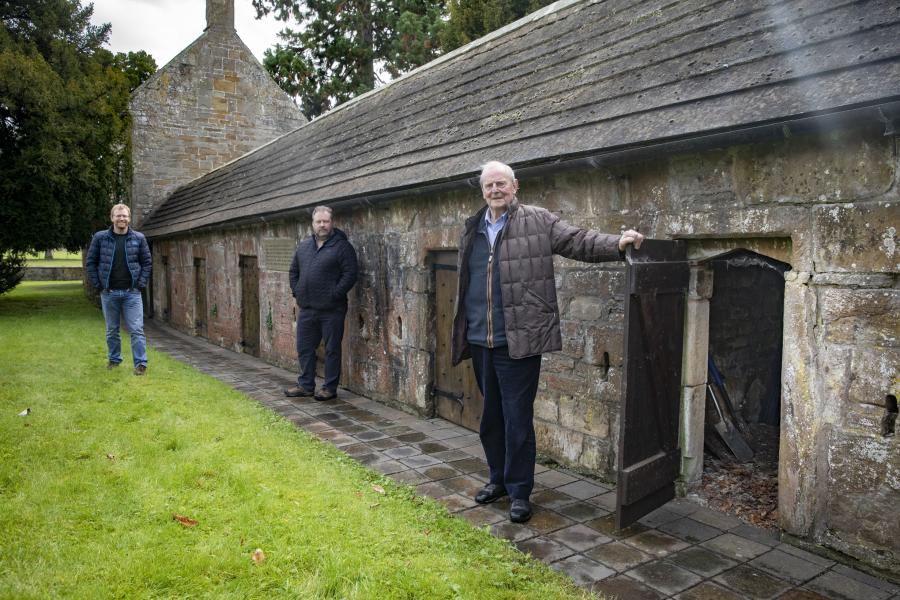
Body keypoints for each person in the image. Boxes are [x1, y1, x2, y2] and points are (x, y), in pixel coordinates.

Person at [451, 161, 644, 523]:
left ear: (515, 187)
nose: (496, 190)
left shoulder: (537, 221)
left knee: (517, 419)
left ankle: (520, 492)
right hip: (480, 340)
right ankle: (498, 481)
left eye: (502, 184)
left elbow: (578, 240)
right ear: (482, 191)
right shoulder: (472, 227)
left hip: (519, 341)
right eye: (490, 185)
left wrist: (617, 244)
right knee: (491, 418)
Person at [285, 206, 359, 401]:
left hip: (332, 309)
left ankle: (329, 387)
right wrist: (297, 291)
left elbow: (351, 274)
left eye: (326, 221)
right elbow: (293, 272)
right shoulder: (304, 246)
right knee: (304, 347)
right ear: (313, 224)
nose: (322, 225)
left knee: (332, 349)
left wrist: (334, 294)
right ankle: (306, 385)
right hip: (307, 308)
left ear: (331, 223)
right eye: (319, 222)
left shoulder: (342, 247)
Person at [86, 203, 153, 375]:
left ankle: (140, 364)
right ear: (112, 218)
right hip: (109, 293)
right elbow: (91, 263)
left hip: (132, 293)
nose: (121, 218)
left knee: (137, 330)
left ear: (129, 218)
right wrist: (98, 284)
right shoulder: (100, 238)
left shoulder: (139, 238)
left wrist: (140, 284)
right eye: (118, 215)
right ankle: (114, 360)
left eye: (124, 216)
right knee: (112, 330)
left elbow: (147, 263)